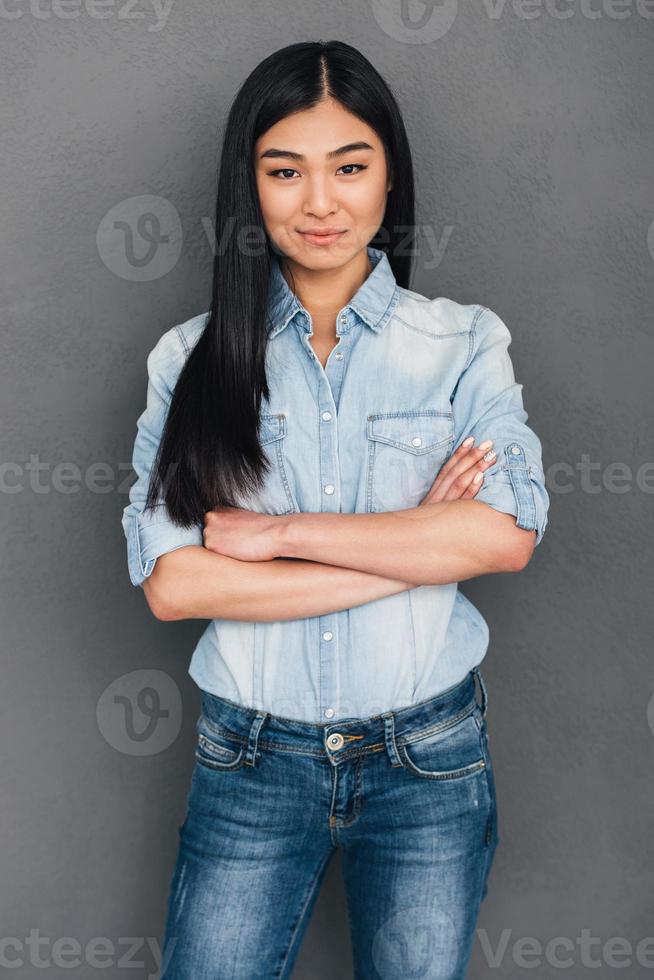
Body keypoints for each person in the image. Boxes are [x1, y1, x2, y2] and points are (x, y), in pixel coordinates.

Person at [121, 39, 549, 980]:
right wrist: (413, 546)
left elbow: (506, 536)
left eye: (349, 166)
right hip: (249, 763)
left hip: (429, 758)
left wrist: (274, 539)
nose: (321, 203)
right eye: (285, 172)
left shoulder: (464, 344)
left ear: (388, 175)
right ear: (251, 187)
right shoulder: (187, 361)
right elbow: (173, 582)